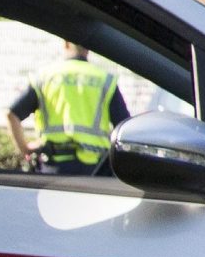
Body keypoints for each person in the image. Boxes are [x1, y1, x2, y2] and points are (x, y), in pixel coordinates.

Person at [10, 40, 132, 171]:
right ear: (88, 49)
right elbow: (125, 128)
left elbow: (11, 114)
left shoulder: (44, 77)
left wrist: (25, 149)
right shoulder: (105, 80)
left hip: (53, 167)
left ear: (66, 44)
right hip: (94, 170)